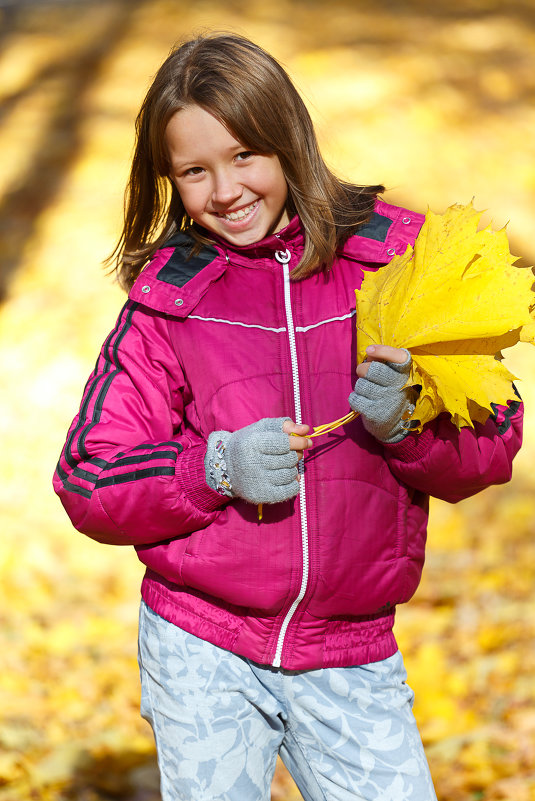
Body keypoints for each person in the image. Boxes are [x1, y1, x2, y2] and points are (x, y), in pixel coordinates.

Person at [53, 33, 523, 801]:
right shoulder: (172, 302)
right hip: (201, 641)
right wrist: (213, 466)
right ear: (168, 179)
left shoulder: (395, 264)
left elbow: (494, 439)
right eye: (193, 171)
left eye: (244, 156)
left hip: (350, 646)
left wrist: (408, 426)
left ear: (287, 141)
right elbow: (88, 475)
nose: (225, 189)